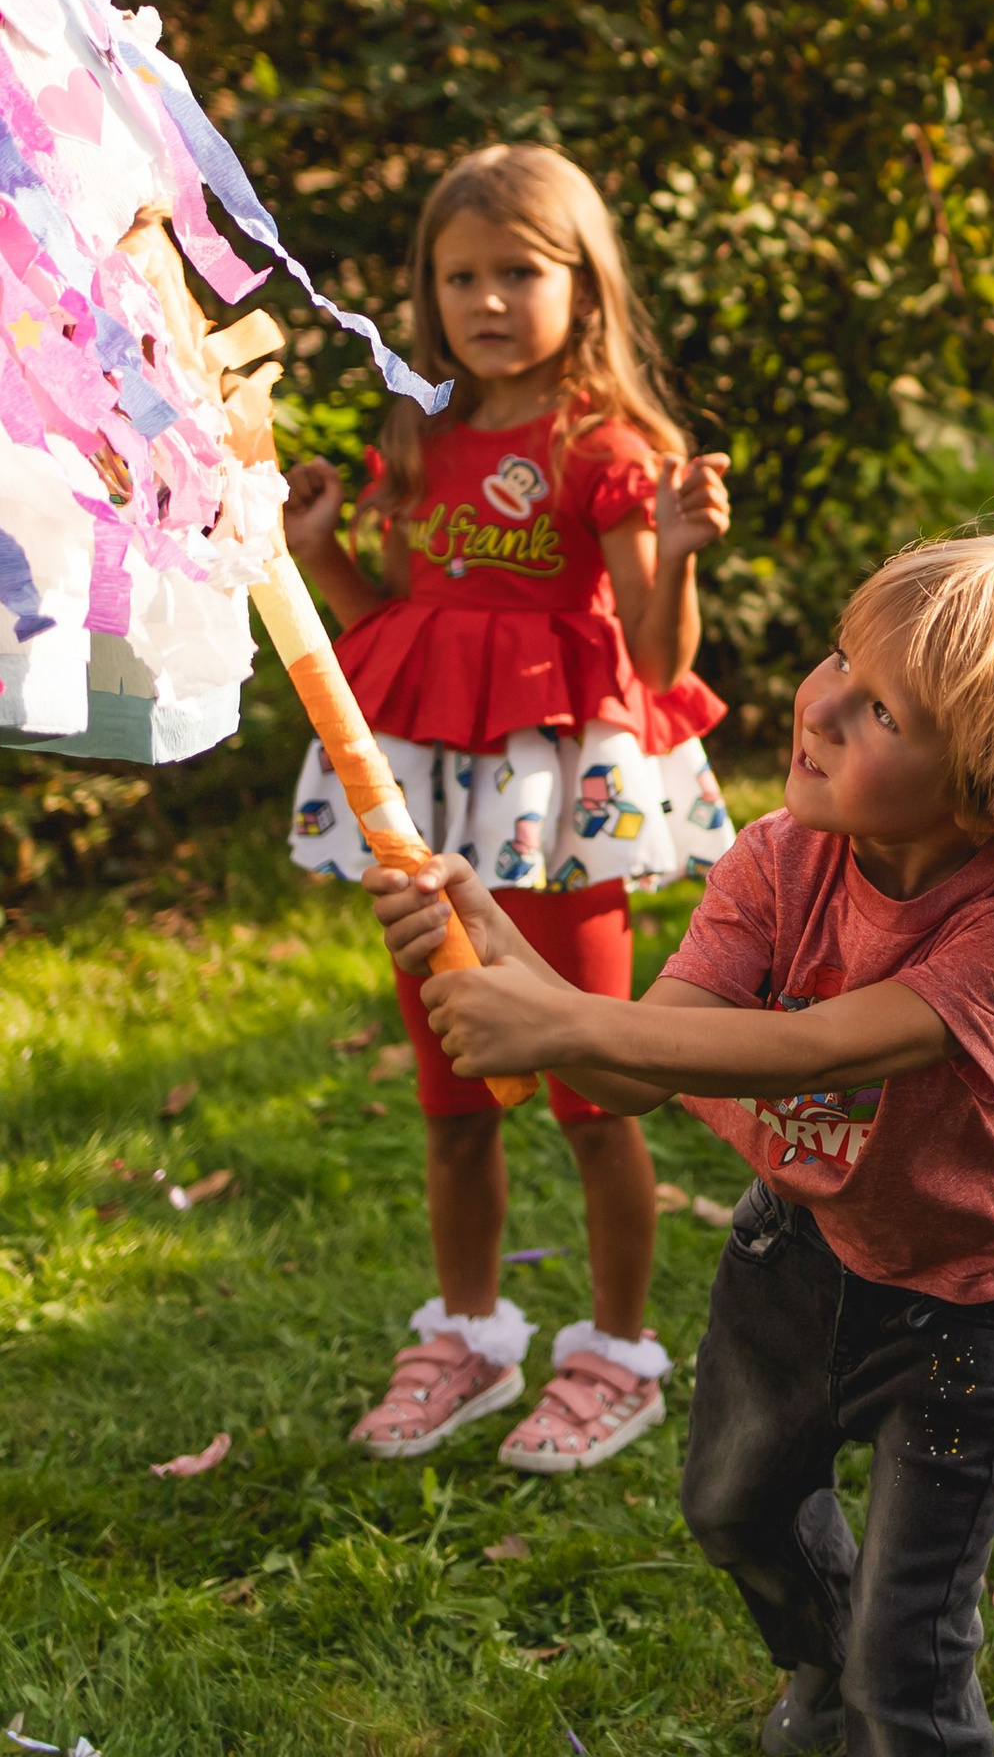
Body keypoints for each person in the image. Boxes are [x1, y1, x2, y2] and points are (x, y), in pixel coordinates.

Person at [367, 524, 994, 1757]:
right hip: (796, 1252)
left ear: (987, 785)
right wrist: (492, 946)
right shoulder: (778, 861)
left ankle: (874, 1691)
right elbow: (637, 1064)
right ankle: (820, 1663)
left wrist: (551, 1019)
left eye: (882, 713)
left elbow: (816, 1050)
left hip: (964, 1310)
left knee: (911, 1655)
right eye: (837, 663)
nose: (822, 707)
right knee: (735, 1510)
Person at [283, 142, 736, 1475]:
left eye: (519, 273)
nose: (486, 300)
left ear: (583, 285)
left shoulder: (609, 448)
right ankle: (469, 1339)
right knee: (453, 1086)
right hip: (428, 804)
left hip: (561, 806)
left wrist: (685, 556)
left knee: (593, 1082)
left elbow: (655, 657)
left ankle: (616, 1356)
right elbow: (400, 636)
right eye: (459, 275)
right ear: (426, 291)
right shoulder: (418, 439)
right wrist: (323, 559)